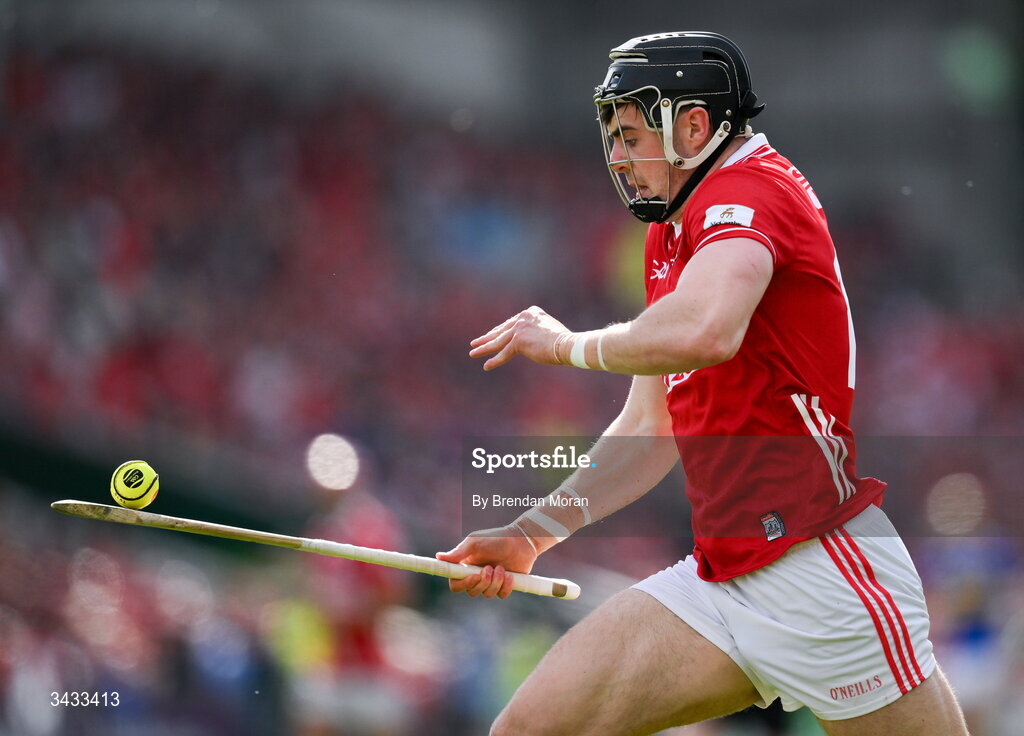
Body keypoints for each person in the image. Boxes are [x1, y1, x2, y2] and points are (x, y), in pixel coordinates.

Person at [436, 31, 969, 736]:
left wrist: (565, 346)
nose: (619, 158)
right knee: (528, 730)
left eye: (631, 136)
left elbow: (705, 330)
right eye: (614, 138)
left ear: (694, 126)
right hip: (722, 580)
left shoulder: (751, 192)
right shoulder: (674, 230)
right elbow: (653, 423)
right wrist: (533, 532)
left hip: (822, 571)